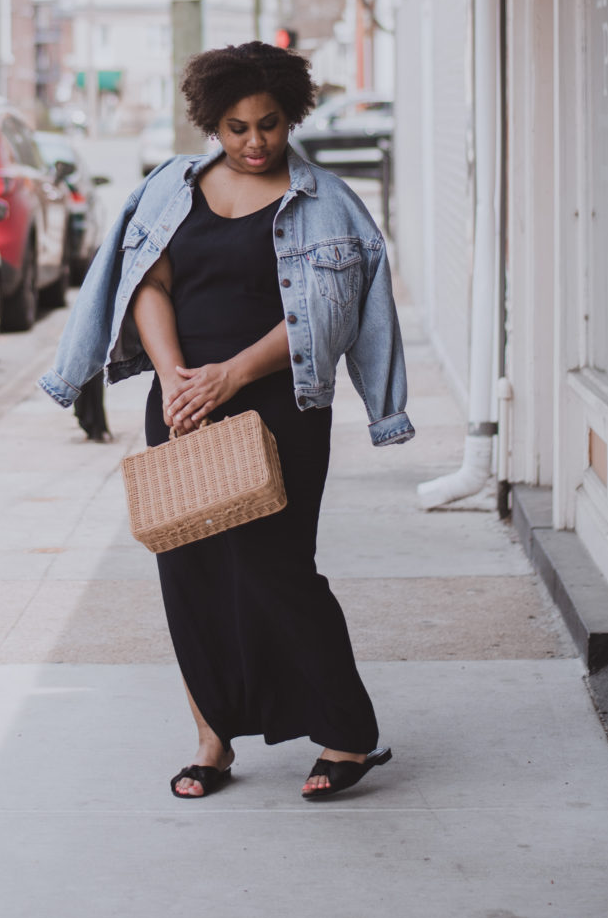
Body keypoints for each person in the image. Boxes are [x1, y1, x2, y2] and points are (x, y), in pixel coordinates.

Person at [41, 41, 414, 801]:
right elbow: (146, 282)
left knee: (278, 572)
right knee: (189, 572)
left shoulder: (326, 204)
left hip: (279, 401)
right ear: (212, 121)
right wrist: (177, 376)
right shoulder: (169, 190)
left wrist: (230, 375)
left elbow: (329, 318)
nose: (254, 142)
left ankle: (347, 732)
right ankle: (212, 741)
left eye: (270, 124)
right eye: (237, 126)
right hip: (181, 403)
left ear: (292, 116)